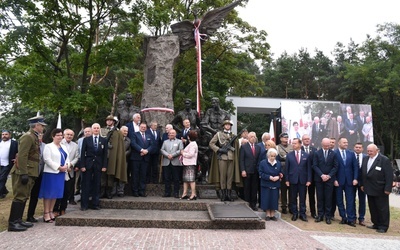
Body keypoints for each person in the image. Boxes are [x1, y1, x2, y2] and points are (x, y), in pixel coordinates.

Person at [8, 116, 46, 232]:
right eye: (42, 125)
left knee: (24, 196)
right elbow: (22, 155)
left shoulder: (33, 136)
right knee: (19, 196)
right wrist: (23, 172)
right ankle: (13, 223)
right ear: (36, 125)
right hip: (25, 171)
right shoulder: (28, 137)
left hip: (30, 171)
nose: (43, 128)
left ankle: (18, 220)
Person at [39, 128, 70, 223]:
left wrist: (67, 165)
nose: (60, 137)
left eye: (61, 135)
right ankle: (46, 213)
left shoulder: (64, 146)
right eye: (58, 135)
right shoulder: (48, 146)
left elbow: (67, 158)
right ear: (53, 136)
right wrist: (58, 167)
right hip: (51, 173)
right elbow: (47, 159)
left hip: (61, 174)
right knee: (49, 194)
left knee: (55, 194)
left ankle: (51, 211)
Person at [360, 144, 393, 233]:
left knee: (382, 208)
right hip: (369, 188)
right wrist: (362, 184)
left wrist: (388, 188)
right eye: (368, 151)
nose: (369, 153)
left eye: (371, 151)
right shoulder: (365, 159)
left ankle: (383, 225)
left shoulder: (384, 160)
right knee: (373, 207)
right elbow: (363, 173)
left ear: (377, 151)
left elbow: (389, 175)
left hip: (380, 189)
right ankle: (376, 223)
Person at [209, 120, 241, 202]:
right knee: (222, 176)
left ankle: (228, 194)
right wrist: (219, 150)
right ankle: (223, 194)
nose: (228, 126)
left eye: (229, 125)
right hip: (222, 157)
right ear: (223, 126)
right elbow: (211, 143)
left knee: (229, 177)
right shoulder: (218, 134)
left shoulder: (233, 135)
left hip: (231, 157)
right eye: (226, 125)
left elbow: (236, 146)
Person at [80, 123, 108, 211]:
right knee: (86, 184)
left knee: (97, 185)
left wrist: (104, 165)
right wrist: (82, 165)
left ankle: (95, 204)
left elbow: (105, 154)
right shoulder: (86, 140)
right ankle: (84, 205)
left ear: (100, 129)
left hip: (98, 165)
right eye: (94, 128)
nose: (96, 129)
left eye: (97, 128)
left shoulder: (104, 140)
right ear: (92, 130)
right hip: (88, 165)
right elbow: (82, 154)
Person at [53, 129, 79, 217]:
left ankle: (63, 209)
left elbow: (77, 157)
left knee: (66, 191)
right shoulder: (59, 143)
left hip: (69, 171)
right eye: (67, 134)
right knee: (58, 191)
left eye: (71, 135)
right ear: (64, 135)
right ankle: (55, 209)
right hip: (59, 170)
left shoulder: (75, 145)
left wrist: (70, 165)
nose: (69, 136)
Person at [285, 138, 311, 222]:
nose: (293, 145)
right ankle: (295, 213)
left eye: (295, 143)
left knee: (302, 198)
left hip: (303, 180)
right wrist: (287, 180)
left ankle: (302, 214)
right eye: (292, 143)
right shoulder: (289, 155)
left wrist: (309, 180)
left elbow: (308, 169)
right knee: (293, 198)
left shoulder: (306, 155)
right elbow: (287, 169)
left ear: (300, 144)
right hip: (293, 180)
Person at [334, 137, 358, 227]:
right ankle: (343, 217)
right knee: (339, 200)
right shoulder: (334, 153)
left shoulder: (351, 153)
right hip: (339, 181)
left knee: (350, 200)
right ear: (339, 143)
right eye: (344, 142)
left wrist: (355, 178)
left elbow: (355, 167)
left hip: (349, 181)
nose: (346, 144)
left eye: (347, 142)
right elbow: (333, 168)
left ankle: (351, 219)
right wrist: (335, 179)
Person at [313, 138, 338, 225]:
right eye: (325, 145)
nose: (327, 147)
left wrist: (329, 176)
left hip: (329, 179)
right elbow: (315, 166)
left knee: (328, 198)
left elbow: (335, 167)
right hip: (319, 179)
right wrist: (322, 175)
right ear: (322, 144)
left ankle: (328, 216)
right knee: (320, 197)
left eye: (328, 145)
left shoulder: (333, 153)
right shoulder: (317, 153)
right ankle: (320, 215)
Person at [102, 115, 127, 199]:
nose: (109, 122)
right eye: (107, 120)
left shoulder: (117, 132)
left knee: (111, 175)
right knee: (103, 175)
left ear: (113, 122)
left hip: (112, 156)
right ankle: (102, 192)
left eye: (110, 120)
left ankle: (109, 192)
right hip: (103, 155)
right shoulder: (102, 130)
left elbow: (119, 146)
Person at [130, 122, 153, 197]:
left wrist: (147, 151)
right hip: (136, 158)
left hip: (145, 158)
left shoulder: (149, 135)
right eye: (142, 127)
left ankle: (142, 191)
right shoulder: (134, 134)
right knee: (135, 175)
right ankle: (135, 191)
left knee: (143, 175)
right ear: (139, 127)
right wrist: (141, 150)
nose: (143, 128)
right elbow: (133, 144)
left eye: (144, 127)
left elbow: (152, 145)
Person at [26, 133, 45, 223]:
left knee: (35, 195)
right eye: (37, 135)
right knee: (24, 195)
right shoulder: (29, 143)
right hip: (29, 172)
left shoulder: (46, 146)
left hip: (40, 173)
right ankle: (18, 217)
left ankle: (30, 215)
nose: (39, 137)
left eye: (41, 135)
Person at [259, 148, 282, 221]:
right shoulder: (263, 163)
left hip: (275, 184)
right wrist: (269, 177)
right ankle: (267, 214)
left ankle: (273, 214)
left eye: (274, 156)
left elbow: (281, 172)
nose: (273, 158)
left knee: (274, 199)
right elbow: (260, 173)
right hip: (266, 184)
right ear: (268, 156)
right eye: (271, 156)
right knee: (266, 198)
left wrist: (278, 177)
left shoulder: (278, 163)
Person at [239, 132, 260, 211]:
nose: (253, 138)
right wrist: (243, 170)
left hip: (255, 171)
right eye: (251, 137)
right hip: (247, 171)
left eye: (254, 137)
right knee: (247, 188)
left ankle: (253, 204)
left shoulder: (258, 147)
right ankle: (247, 204)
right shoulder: (244, 147)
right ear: (248, 138)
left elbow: (258, 159)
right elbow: (241, 159)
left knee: (254, 188)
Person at [160, 129, 183, 198]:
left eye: (173, 133)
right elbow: (162, 150)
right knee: (167, 178)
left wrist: (172, 155)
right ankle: (167, 192)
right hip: (166, 162)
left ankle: (176, 193)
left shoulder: (179, 141)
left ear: (175, 134)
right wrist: (168, 155)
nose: (171, 134)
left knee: (176, 178)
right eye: (170, 133)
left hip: (175, 162)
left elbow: (181, 150)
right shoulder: (165, 142)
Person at [301, 134, 317, 219]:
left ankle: (313, 212)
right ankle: (302, 212)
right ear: (302, 140)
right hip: (302, 176)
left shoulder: (314, 150)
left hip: (312, 177)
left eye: (308, 139)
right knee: (302, 195)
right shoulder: (300, 149)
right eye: (305, 139)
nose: (307, 140)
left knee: (312, 195)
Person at [276, 132, 293, 214]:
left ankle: (291, 206)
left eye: (287, 137)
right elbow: (278, 160)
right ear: (280, 138)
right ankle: (283, 206)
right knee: (283, 190)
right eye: (284, 137)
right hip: (283, 169)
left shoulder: (292, 146)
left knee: (292, 190)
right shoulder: (277, 147)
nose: (286, 138)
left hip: (291, 170)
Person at [180, 130, 199, 200]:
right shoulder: (191, 143)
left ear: (189, 137)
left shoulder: (193, 144)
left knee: (191, 180)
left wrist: (183, 153)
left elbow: (191, 154)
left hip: (190, 163)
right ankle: (184, 193)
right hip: (187, 163)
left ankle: (193, 194)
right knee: (185, 179)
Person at [0, 130, 18, 198]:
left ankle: (1, 194)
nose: (4, 136)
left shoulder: (14, 143)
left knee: (2, 178)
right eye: (3, 134)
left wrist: (16, 159)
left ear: (9, 135)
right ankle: (4, 191)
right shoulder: (0, 142)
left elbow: (18, 152)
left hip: (7, 163)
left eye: (6, 134)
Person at [75, 127, 92, 196]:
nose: (87, 133)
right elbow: (78, 152)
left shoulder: (94, 140)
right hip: (82, 161)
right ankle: (81, 192)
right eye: (86, 132)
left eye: (89, 131)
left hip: (91, 161)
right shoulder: (80, 140)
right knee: (82, 179)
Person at [353, 142, 366, 226]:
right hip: (352, 182)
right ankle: (353, 217)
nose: (358, 148)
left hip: (362, 183)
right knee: (351, 200)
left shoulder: (366, 157)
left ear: (362, 149)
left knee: (362, 201)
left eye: (359, 147)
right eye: (356, 147)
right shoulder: (350, 156)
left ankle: (361, 218)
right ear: (354, 148)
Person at [119, 126, 131, 197]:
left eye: (127, 131)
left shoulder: (128, 140)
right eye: (124, 131)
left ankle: (121, 191)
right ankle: (113, 190)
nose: (126, 132)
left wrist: (123, 154)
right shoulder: (116, 139)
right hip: (116, 160)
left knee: (123, 176)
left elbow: (129, 150)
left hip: (124, 160)